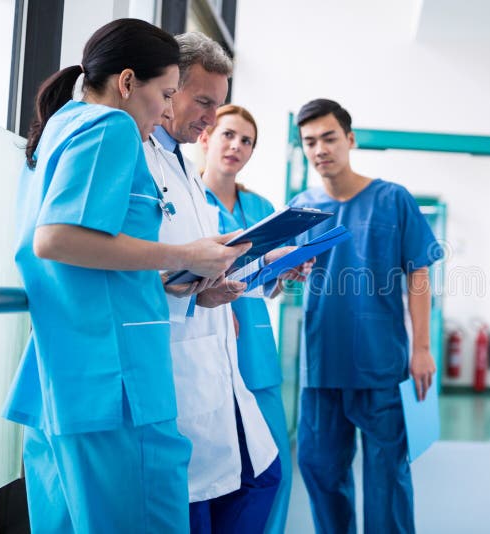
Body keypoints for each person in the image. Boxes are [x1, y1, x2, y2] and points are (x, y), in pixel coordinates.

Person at [3, 19, 247, 534]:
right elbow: (56, 239)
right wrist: (185, 254)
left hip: (64, 374)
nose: (165, 110)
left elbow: (72, 259)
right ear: (128, 82)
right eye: (166, 94)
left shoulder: (61, 125)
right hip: (116, 380)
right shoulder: (109, 126)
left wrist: (172, 282)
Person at [142, 33, 281, 534]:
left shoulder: (176, 163)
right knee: (203, 501)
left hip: (221, 354)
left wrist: (210, 287)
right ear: (167, 86)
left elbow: (190, 267)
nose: (210, 121)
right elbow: (77, 249)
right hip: (174, 366)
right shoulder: (140, 156)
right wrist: (188, 273)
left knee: (261, 479)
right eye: (204, 103)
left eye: (216, 106)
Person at [289, 98, 443, 533]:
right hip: (321, 365)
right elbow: (287, 277)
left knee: (387, 478)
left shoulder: (392, 199)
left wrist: (423, 349)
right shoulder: (301, 207)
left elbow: (419, 274)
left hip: (380, 364)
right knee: (320, 469)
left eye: (329, 137)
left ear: (350, 139)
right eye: (310, 141)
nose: (320, 149)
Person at [199, 104, 312, 534]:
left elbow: (267, 287)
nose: (236, 146)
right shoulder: (187, 197)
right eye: (228, 134)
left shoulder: (262, 205)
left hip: (256, 356)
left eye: (246, 140)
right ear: (206, 137)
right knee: (216, 478)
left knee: (273, 471)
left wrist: (286, 269)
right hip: (207, 352)